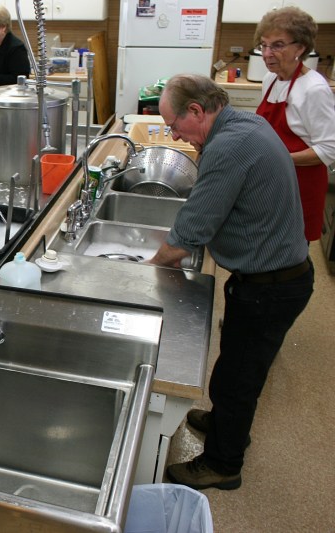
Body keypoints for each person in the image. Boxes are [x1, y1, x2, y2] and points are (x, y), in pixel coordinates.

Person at [149, 74, 314, 490]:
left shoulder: (228, 147)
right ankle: (224, 423)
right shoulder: (244, 124)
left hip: (269, 287)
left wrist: (148, 267)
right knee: (233, 369)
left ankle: (224, 463)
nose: (175, 135)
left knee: (239, 378)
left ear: (197, 112)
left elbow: (191, 230)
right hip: (275, 275)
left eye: (174, 125)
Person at [254, 6, 335, 243]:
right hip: (272, 182)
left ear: (300, 47)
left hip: (301, 187)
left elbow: (329, 149)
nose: (267, 53)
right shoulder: (270, 79)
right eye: (263, 45)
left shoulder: (314, 88)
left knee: (292, 251)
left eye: (277, 45)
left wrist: (281, 158)